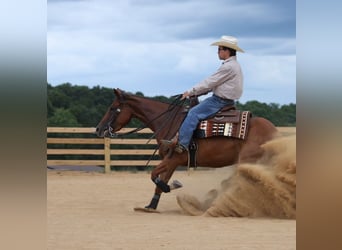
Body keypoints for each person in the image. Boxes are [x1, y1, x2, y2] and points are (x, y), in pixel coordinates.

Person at [161, 35, 244, 153]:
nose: (217, 52)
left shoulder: (228, 67)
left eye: (219, 49)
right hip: (224, 100)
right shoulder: (234, 65)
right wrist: (199, 92)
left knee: (193, 113)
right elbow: (215, 84)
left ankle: (182, 144)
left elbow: (209, 82)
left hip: (218, 101)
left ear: (227, 50)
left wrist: (190, 92)